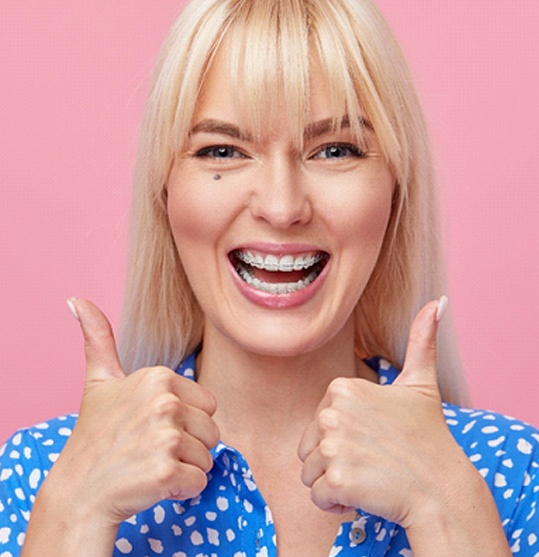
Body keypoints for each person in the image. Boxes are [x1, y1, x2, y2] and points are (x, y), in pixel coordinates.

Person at [1, 0, 538, 555]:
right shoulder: (43, 477)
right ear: (165, 194)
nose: (282, 208)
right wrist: (72, 515)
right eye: (223, 150)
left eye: (335, 149)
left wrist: (442, 507)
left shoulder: (514, 478)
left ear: (396, 191)